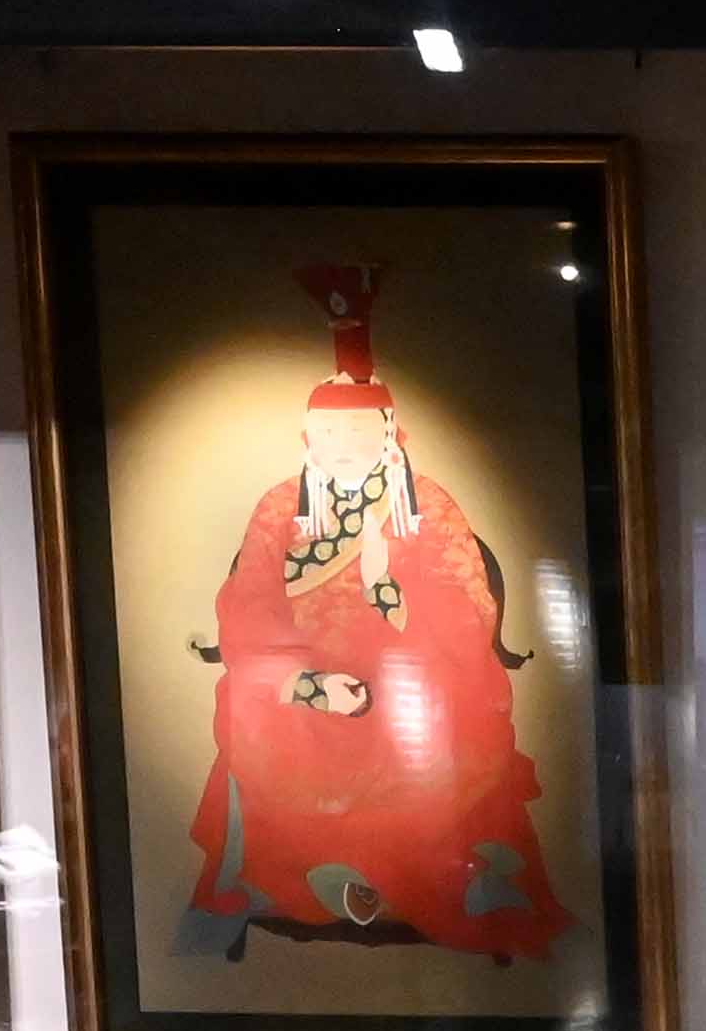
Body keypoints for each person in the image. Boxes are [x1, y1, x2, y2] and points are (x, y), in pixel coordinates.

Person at [179, 264, 566, 961]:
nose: (344, 446)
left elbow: (468, 610)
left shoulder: (430, 505)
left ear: (388, 433)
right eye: (329, 432)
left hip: (412, 672)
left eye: (360, 431)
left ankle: (410, 880)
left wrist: (391, 594)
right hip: (305, 679)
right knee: (258, 707)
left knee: (431, 717)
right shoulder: (280, 507)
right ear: (308, 438)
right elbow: (249, 607)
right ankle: (298, 880)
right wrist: (307, 685)